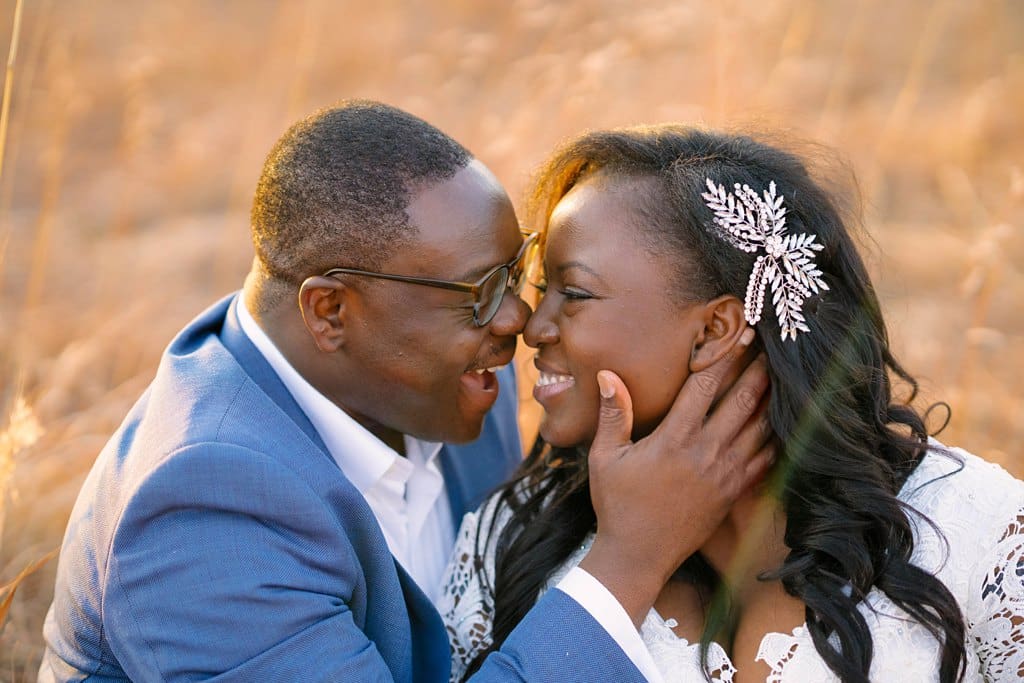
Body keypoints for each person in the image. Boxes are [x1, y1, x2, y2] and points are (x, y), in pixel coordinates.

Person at [38, 102, 773, 682]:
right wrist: (629, 560)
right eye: (479, 293)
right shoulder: (203, 508)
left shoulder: (443, 393)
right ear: (331, 311)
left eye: (515, 272)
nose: (517, 318)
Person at [440, 125, 1024, 683]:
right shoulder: (510, 539)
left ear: (715, 330)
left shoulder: (972, 532)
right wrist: (623, 558)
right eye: (543, 291)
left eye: (576, 293)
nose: (532, 327)